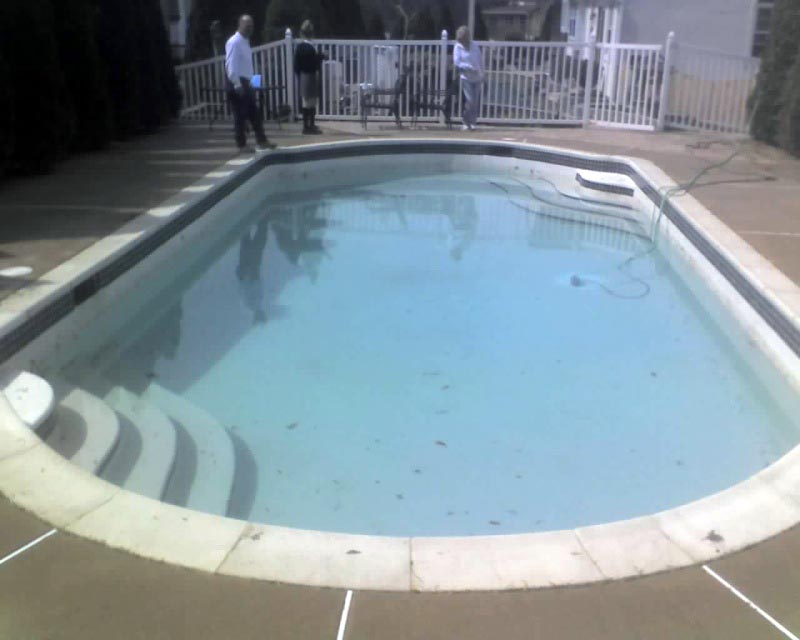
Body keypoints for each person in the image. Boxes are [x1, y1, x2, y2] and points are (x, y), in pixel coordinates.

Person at [225, 15, 276, 152]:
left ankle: (262, 141)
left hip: (246, 82)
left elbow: (249, 67)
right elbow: (230, 66)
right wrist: (237, 85)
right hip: (237, 82)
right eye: (247, 26)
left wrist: (255, 83)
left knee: (254, 114)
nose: (250, 29)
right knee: (240, 116)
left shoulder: (245, 42)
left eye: (251, 26)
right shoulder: (234, 42)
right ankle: (241, 145)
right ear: (240, 25)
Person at [294, 20, 327, 135]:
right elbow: (313, 62)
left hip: (303, 75)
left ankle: (308, 125)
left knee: (306, 102)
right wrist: (322, 56)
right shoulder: (310, 47)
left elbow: (296, 65)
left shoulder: (300, 47)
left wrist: (298, 75)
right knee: (311, 102)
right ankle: (308, 126)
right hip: (310, 75)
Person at [453, 26, 483, 131]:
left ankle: (473, 122)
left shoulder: (475, 45)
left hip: (477, 77)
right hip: (466, 77)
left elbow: (480, 60)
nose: (463, 41)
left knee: (475, 101)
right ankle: (466, 122)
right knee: (470, 100)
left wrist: (482, 74)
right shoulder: (458, 47)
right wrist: (468, 67)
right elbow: (457, 62)